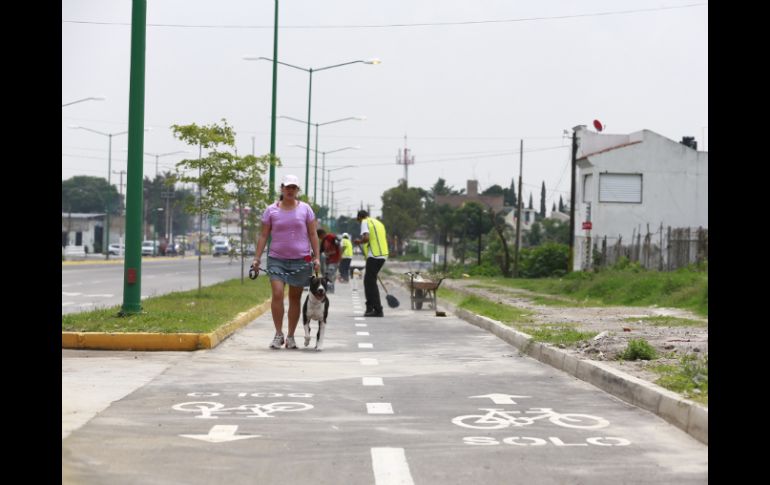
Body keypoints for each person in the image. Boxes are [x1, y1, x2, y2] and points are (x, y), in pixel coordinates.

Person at [253, 174, 321, 349]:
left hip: (301, 260)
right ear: (282, 189)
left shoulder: (305, 209)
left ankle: (290, 336)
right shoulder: (271, 210)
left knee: (294, 298)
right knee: (277, 294)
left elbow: (313, 234)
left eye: (293, 188)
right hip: (277, 259)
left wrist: (317, 257)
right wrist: (257, 258)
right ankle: (278, 334)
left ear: (297, 190)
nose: (290, 190)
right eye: (287, 187)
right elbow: (264, 235)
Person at [353, 209, 388, 317]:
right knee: (370, 281)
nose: (359, 223)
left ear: (360, 218)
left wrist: (359, 241)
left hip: (374, 255)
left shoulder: (365, 222)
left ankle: (377, 309)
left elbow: (366, 238)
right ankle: (371, 307)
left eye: (358, 221)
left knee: (369, 282)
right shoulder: (378, 223)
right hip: (383, 255)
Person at [317, 228, 342, 292]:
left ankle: (330, 289)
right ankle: (328, 288)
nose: (320, 239)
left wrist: (340, 256)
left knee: (330, 274)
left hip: (334, 259)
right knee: (327, 274)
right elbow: (321, 251)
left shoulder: (331, 237)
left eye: (319, 237)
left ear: (321, 234)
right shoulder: (323, 241)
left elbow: (339, 246)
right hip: (328, 261)